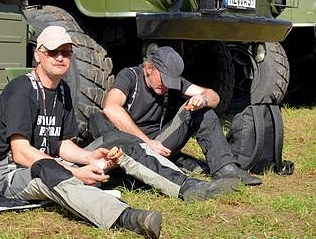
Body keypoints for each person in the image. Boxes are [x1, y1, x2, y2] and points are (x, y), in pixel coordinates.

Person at [0, 26, 240, 239]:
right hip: (11, 173)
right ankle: (126, 217)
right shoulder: (22, 90)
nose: (60, 58)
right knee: (49, 171)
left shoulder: (62, 91)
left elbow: (60, 143)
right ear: (38, 55)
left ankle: (188, 186)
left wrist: (91, 157)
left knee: (121, 141)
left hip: (49, 161)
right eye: (53, 52)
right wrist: (75, 172)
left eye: (66, 52)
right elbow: (21, 153)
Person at [94, 46, 262, 186]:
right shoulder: (130, 76)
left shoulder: (173, 82)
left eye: (171, 81)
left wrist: (202, 99)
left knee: (201, 110)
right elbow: (111, 108)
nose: (167, 85)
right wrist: (146, 142)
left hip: (161, 143)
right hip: (132, 144)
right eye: (163, 79)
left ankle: (225, 168)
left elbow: (214, 97)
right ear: (148, 68)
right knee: (97, 119)